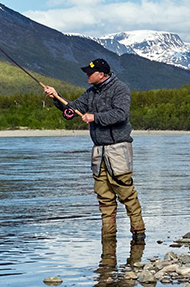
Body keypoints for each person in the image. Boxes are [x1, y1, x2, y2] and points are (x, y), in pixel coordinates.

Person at [43, 58, 146, 241]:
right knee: (104, 199)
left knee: (127, 194)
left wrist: (94, 117)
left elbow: (121, 114)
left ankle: (138, 235)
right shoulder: (91, 92)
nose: (87, 75)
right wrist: (56, 97)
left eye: (90, 73)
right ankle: (108, 240)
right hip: (99, 152)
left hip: (118, 149)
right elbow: (73, 109)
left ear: (102, 74)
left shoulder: (120, 89)